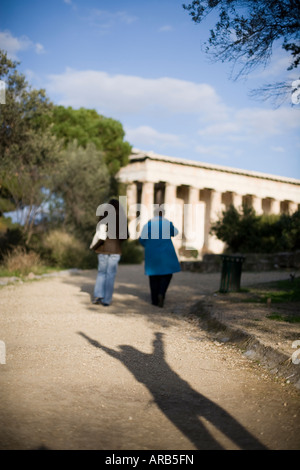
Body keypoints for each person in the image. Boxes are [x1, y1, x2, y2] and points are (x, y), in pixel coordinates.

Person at [139, 208, 181, 307]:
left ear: (154, 214)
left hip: (152, 253)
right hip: (166, 253)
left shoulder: (148, 224)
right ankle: (161, 293)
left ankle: (154, 300)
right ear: (163, 214)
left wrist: (148, 245)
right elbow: (175, 233)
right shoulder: (167, 223)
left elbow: (141, 239)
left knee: (153, 276)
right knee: (166, 275)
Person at [91, 198, 129, 306]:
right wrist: (118, 240)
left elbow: (99, 232)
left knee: (101, 273)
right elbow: (126, 235)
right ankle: (107, 300)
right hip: (115, 250)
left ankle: (98, 296)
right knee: (110, 274)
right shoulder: (121, 218)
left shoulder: (103, 216)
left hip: (102, 248)